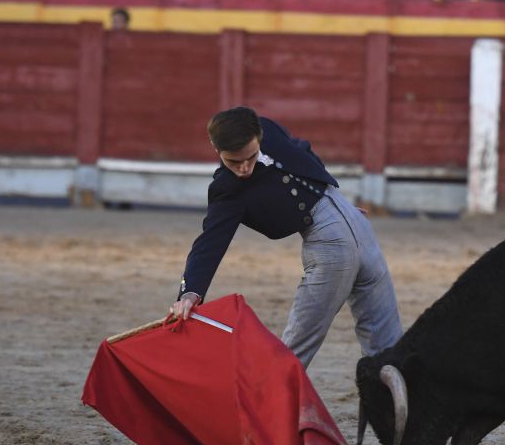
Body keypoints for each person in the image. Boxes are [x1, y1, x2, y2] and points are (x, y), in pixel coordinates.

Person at [170, 107, 403, 370]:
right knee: (379, 337)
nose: (244, 168)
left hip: (345, 232)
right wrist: (191, 291)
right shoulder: (227, 189)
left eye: (250, 157)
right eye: (234, 162)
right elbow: (211, 241)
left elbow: (303, 152)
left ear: (258, 136)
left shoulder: (268, 129)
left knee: (308, 346)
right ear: (216, 148)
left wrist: (339, 205)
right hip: (336, 231)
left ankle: (392, 407)